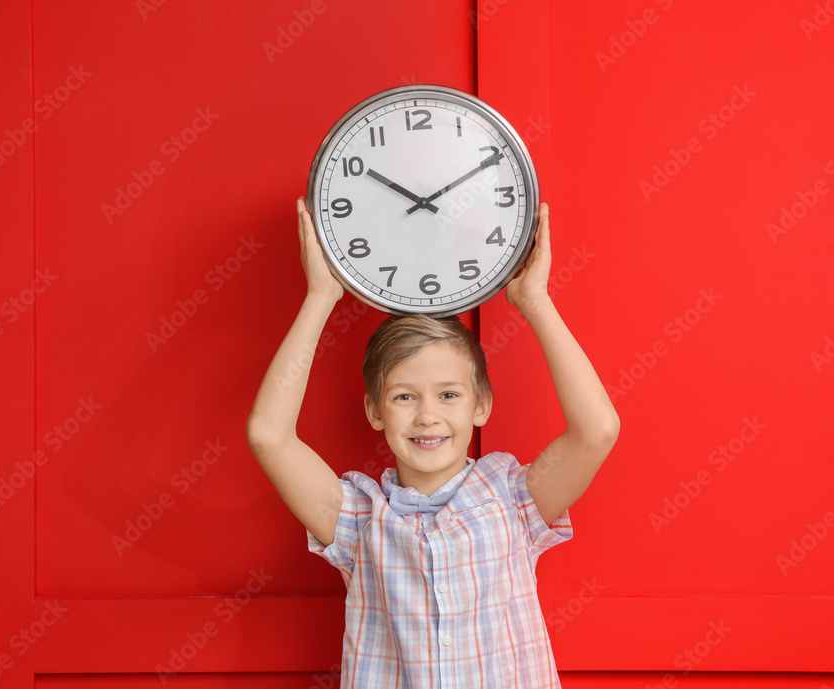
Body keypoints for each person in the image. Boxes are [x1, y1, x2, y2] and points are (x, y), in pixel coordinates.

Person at [246, 197, 619, 688]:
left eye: (448, 394)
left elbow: (597, 430)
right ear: (375, 411)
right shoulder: (358, 518)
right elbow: (268, 435)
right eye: (404, 396)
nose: (427, 415)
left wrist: (535, 301)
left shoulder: (512, 498)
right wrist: (320, 298)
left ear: (480, 405)